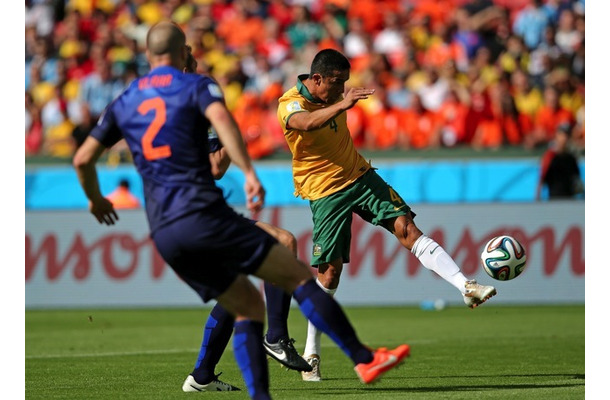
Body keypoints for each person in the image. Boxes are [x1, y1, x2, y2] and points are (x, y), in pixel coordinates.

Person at [73, 22, 409, 399]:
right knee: (289, 260)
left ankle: (206, 375)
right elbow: (218, 160)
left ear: (148, 55)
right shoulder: (197, 87)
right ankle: (359, 357)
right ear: (183, 52)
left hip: (163, 228)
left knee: (244, 299)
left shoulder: (126, 99)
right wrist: (248, 171)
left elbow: (82, 159)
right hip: (201, 212)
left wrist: (95, 199)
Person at [276, 48, 496, 382]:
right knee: (330, 273)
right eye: (337, 83)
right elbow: (304, 124)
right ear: (317, 79)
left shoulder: (333, 95)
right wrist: (342, 104)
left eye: (345, 84)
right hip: (324, 192)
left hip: (360, 175)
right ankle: (312, 352)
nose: (342, 89)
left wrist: (340, 102)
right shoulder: (290, 103)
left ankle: (465, 285)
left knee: (407, 227)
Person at [180, 47, 311, 392]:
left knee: (239, 288)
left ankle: (202, 375)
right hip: (197, 217)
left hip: (199, 214)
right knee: (282, 243)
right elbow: (213, 168)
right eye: (190, 62)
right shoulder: (190, 112)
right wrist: (240, 138)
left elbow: (214, 169)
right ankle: (276, 337)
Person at [536, 123, 584, 200]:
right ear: (557, 135)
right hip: (555, 198)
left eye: (567, 135)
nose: (565, 138)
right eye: (563, 135)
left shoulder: (571, 158)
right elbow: (542, 178)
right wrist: (537, 198)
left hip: (570, 199)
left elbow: (576, 179)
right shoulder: (550, 156)